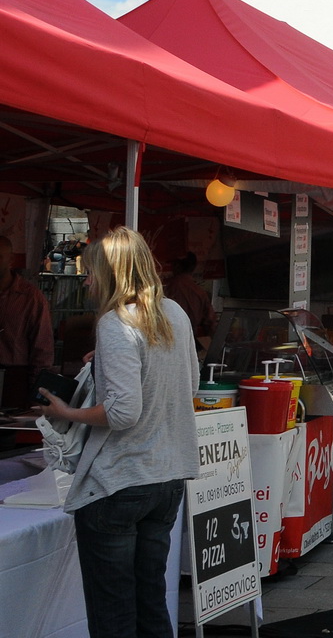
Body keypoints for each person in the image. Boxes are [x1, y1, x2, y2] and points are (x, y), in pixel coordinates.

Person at [37, 228, 196, 638]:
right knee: (150, 602)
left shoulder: (116, 322)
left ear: (110, 273)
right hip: (166, 478)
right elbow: (188, 384)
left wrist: (66, 411)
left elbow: (123, 413)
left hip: (119, 482)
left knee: (114, 614)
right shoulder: (173, 312)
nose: (86, 281)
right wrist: (108, 364)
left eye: (89, 273)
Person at [0, 235, 54, 397]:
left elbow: (43, 348)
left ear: (10, 260)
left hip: (14, 378)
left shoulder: (31, 297)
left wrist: (37, 392)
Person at [158, 254, 215, 353]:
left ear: (177, 266)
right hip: (191, 340)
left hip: (172, 339)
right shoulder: (200, 292)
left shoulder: (170, 287)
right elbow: (210, 320)